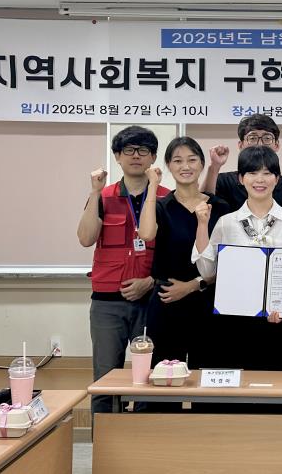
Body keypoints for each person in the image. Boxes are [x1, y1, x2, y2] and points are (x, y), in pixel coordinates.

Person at [77, 126, 170, 417]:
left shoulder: (166, 198)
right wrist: (94, 192)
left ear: (153, 157)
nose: (136, 156)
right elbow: (86, 238)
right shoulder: (103, 196)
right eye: (128, 150)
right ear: (117, 156)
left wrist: (151, 281)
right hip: (108, 302)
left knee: (151, 378)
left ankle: (142, 439)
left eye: (143, 150)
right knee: (105, 378)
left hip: (152, 301)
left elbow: (175, 252)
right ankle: (104, 441)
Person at [193, 146, 282, 376]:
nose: (260, 179)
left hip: (278, 322)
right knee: (235, 389)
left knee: (276, 389)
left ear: (277, 179)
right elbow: (207, 271)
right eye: (252, 173)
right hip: (232, 322)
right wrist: (202, 224)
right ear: (241, 178)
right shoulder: (227, 222)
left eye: (267, 173)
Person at [138, 137, 231, 379]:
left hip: (209, 301)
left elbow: (229, 263)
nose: (185, 166)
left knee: (210, 378)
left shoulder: (220, 207)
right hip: (167, 301)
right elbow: (146, 233)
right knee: (165, 378)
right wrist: (152, 186)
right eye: (177, 161)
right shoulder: (161, 206)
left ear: (201, 164)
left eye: (192, 159)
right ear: (169, 165)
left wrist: (193, 285)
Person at [201, 113, 282, 213]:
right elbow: (202, 209)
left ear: (276, 145)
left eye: (267, 138)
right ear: (241, 145)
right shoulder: (223, 182)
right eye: (253, 138)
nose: (260, 144)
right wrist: (214, 167)